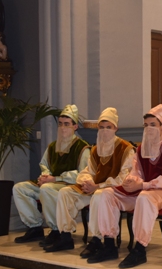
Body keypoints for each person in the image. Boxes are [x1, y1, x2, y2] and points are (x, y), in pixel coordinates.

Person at [94, 104, 162, 267]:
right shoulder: (140, 149)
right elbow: (136, 171)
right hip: (145, 189)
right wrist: (131, 181)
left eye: (153, 125)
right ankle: (109, 245)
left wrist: (142, 186)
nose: (149, 129)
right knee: (106, 194)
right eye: (146, 125)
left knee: (145, 198)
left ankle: (139, 249)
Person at [45, 107, 135, 253]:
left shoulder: (126, 149)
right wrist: (87, 182)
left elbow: (123, 178)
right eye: (101, 127)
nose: (105, 131)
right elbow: (88, 171)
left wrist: (98, 186)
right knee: (65, 192)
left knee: (100, 195)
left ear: (116, 128)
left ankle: (96, 239)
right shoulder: (96, 148)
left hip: (114, 191)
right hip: (94, 188)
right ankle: (65, 236)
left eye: (108, 127)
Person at [13, 105, 90, 245]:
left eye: (67, 124)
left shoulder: (82, 148)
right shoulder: (53, 146)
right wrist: (45, 176)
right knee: (20, 188)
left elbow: (83, 174)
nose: (63, 128)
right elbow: (44, 165)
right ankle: (34, 227)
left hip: (70, 186)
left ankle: (57, 230)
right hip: (51, 183)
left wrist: (56, 179)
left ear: (75, 127)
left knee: (46, 189)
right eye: (60, 124)